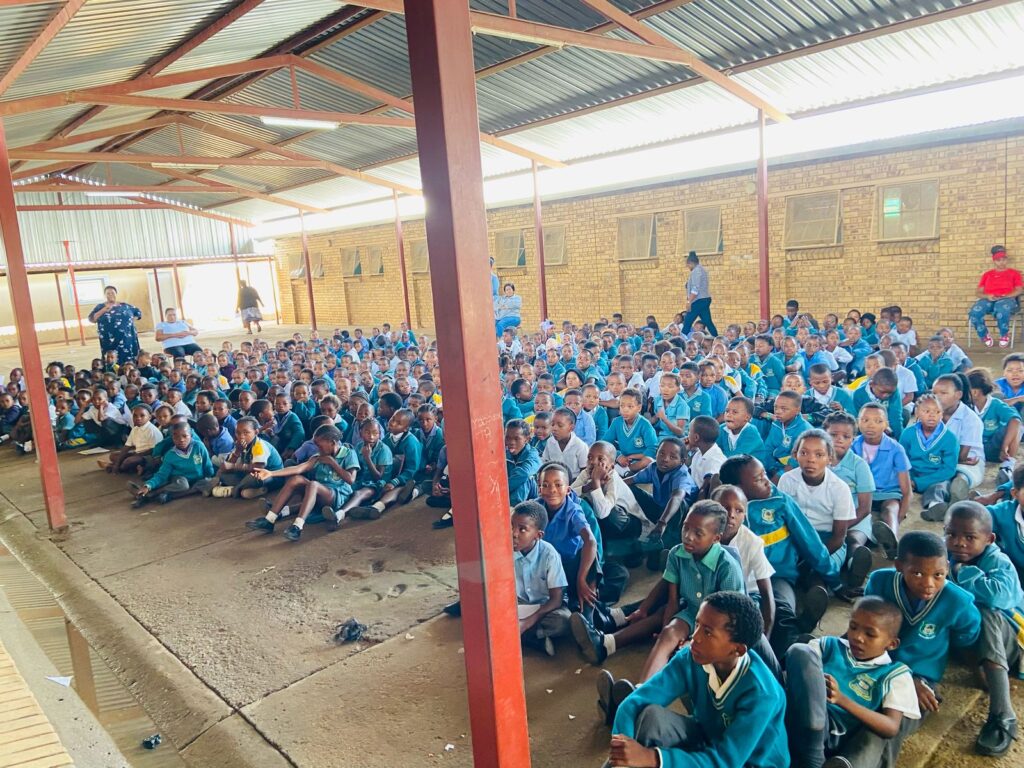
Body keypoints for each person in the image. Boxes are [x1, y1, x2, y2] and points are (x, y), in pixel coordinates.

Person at [606, 592, 788, 768]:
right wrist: (623, 751)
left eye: (707, 632)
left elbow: (725, 762)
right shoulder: (690, 658)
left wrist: (652, 757)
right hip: (707, 736)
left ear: (738, 649)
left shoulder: (762, 694)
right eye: (697, 624)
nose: (695, 637)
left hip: (747, 762)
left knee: (652, 759)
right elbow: (634, 703)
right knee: (649, 717)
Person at [864, 531, 981, 767]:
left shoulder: (958, 601)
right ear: (899, 566)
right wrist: (902, 677)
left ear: (947, 568)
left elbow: (968, 633)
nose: (929, 583)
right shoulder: (880, 582)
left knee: (893, 723)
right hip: (876, 664)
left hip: (921, 678)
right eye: (918, 573)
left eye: (938, 575)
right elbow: (867, 627)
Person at [719, 455, 839, 657]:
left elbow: (810, 542)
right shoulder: (723, 511)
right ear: (737, 488)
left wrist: (834, 579)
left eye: (764, 474)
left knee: (780, 607)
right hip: (735, 580)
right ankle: (793, 631)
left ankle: (794, 645)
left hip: (777, 576)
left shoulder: (780, 502)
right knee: (740, 616)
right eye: (759, 479)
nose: (767, 481)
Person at [784, 597, 918, 768]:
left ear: (891, 644)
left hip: (831, 733)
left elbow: (891, 727)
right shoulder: (828, 646)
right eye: (853, 627)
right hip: (794, 712)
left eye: (870, 634)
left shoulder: (894, 675)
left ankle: (812, 754)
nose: (857, 637)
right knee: (800, 650)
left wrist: (841, 699)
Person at [943, 501, 1022, 756]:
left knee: (986, 612)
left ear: (989, 539)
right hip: (967, 637)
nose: (959, 543)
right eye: (951, 534)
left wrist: (962, 572)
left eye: (969, 537)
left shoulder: (999, 561)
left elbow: (998, 597)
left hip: (1011, 642)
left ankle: (1003, 713)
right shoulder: (943, 554)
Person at [245, 425, 358, 541]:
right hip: (317, 492)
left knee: (313, 484)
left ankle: (297, 526)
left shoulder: (348, 453)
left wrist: (333, 463)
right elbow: (299, 468)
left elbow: (351, 479)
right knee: (296, 479)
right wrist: (271, 473)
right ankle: (269, 520)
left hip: (336, 496)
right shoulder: (318, 456)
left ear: (332, 442)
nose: (318, 448)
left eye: (320, 445)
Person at [512, 501, 572, 658]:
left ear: (538, 535)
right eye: (511, 526)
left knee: (564, 621)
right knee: (487, 616)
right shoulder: (504, 551)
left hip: (546, 608)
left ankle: (524, 635)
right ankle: (535, 638)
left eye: (522, 529)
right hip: (518, 607)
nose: (514, 533)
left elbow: (556, 600)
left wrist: (527, 622)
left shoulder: (549, 554)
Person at [852, 402, 911, 560]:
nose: (871, 425)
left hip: (888, 493)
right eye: (865, 420)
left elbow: (906, 490)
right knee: (863, 517)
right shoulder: (852, 446)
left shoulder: (896, 449)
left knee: (890, 509)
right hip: (861, 493)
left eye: (878, 421)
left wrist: (900, 516)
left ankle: (892, 542)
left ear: (886, 424)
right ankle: (862, 544)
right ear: (858, 422)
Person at [900, 394, 960, 524]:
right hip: (911, 474)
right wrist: (908, 479)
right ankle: (895, 507)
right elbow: (901, 460)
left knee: (938, 489)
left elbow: (949, 470)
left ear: (942, 414)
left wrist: (918, 483)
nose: (932, 415)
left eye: (937, 412)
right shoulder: (908, 433)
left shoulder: (950, 438)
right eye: (927, 411)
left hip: (936, 476)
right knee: (894, 484)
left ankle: (935, 507)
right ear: (917, 413)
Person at [128, 421, 213, 507]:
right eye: (176, 437)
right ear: (172, 438)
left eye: (185, 436)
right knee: (183, 485)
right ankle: (154, 493)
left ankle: (161, 496)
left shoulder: (199, 446)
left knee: (207, 483)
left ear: (191, 436)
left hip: (197, 479)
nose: (181, 440)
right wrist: (148, 486)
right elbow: (161, 475)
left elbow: (207, 465)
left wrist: (211, 476)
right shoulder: (170, 455)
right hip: (179, 480)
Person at [969, 245, 1023, 348]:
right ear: (994, 261)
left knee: (1002, 309)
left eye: (1003, 259)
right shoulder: (987, 275)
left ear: (1006, 260)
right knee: (974, 312)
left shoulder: (1014, 273)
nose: (1001, 262)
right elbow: (978, 292)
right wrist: (987, 296)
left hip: (1007, 299)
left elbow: (1019, 290)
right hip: (989, 299)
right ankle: (984, 335)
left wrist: (1006, 296)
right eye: (998, 260)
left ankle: (1004, 335)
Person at [87, 286, 143, 366]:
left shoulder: (125, 305)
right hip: (109, 340)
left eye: (112, 293)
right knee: (111, 358)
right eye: (108, 293)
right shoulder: (100, 307)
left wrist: (131, 321)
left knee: (129, 360)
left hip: (127, 339)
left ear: (116, 294)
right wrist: (104, 310)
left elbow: (138, 312)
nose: (110, 295)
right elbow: (92, 319)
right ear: (105, 295)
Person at [681, 251, 718, 336]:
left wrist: (689, 301)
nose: (687, 267)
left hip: (698, 300)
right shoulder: (702, 270)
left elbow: (695, 288)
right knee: (708, 322)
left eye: (688, 265)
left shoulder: (696, 271)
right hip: (704, 299)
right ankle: (717, 338)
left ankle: (680, 340)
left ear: (691, 263)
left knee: (687, 322)